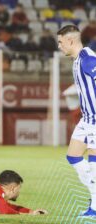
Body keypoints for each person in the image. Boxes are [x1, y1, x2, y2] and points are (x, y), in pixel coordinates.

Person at [57, 25, 96, 217]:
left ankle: (95, 206)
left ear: (71, 41)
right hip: (87, 119)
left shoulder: (88, 59)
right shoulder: (76, 60)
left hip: (95, 120)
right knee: (73, 156)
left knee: (94, 161)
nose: (59, 46)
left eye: (61, 42)